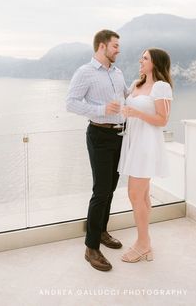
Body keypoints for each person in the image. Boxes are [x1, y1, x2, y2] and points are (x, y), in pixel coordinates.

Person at [66, 29, 128, 272]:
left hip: (120, 135)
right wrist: (102, 109)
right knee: (101, 191)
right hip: (99, 135)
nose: (118, 50)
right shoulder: (85, 72)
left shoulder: (119, 72)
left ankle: (101, 231)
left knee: (111, 188)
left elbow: (126, 98)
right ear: (102, 46)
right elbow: (71, 103)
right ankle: (91, 247)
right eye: (115, 46)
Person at [118, 48, 173, 263]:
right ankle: (146, 243)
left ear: (156, 63)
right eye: (141, 56)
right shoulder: (136, 84)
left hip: (146, 145)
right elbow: (128, 108)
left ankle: (143, 244)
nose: (140, 60)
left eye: (145, 58)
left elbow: (163, 120)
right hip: (133, 142)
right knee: (142, 195)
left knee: (134, 195)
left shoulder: (161, 86)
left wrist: (136, 113)